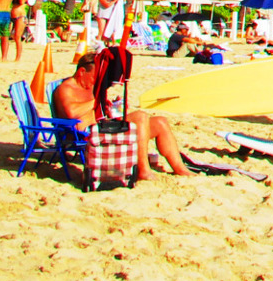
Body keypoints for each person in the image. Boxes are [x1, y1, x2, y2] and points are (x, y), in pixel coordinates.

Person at [53, 51, 192, 182]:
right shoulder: (66, 88)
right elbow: (71, 113)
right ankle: (143, 169)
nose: (96, 82)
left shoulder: (89, 87)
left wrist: (112, 107)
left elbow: (97, 110)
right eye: (95, 77)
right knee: (140, 117)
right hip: (86, 134)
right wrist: (97, 101)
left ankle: (180, 168)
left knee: (160, 121)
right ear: (81, 72)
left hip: (103, 127)